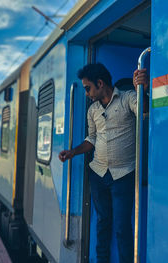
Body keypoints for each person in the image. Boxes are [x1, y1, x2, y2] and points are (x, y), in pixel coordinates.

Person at [58, 63, 149, 263]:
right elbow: (91, 139)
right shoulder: (93, 110)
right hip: (98, 175)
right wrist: (73, 152)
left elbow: (145, 109)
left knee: (122, 227)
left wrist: (143, 88)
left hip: (123, 176)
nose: (87, 93)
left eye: (88, 88)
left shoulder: (128, 98)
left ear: (100, 83)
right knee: (102, 223)